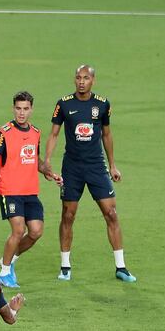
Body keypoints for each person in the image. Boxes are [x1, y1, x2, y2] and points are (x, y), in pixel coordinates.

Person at [42, 65, 137, 282]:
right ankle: (65, 266)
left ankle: (121, 267)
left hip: (96, 167)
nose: (81, 81)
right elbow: (54, 134)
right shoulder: (64, 104)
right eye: (78, 78)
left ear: (93, 80)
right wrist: (47, 160)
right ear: (74, 80)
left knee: (111, 214)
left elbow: (107, 135)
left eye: (86, 78)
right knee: (68, 215)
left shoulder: (102, 104)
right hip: (72, 168)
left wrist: (112, 165)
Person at [0, 91, 62, 288]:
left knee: (36, 232)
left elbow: (34, 160)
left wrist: (50, 173)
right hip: (10, 191)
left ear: (31, 109)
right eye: (18, 108)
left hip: (30, 191)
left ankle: (10, 259)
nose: (21, 113)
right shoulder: (3, 132)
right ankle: (4, 273)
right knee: (18, 229)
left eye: (25, 109)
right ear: (13, 108)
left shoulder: (36, 133)